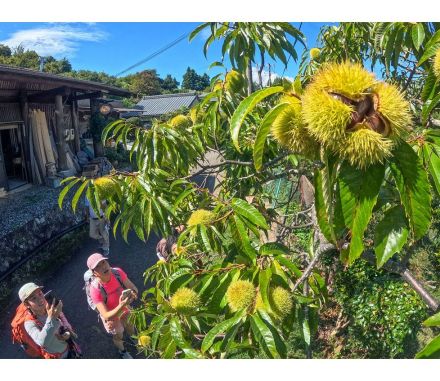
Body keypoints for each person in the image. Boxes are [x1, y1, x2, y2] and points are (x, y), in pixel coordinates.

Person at [86, 253, 138, 359]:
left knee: (130, 326)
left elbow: (133, 288)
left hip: (125, 307)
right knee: (119, 334)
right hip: (112, 314)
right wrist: (121, 305)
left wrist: (133, 294)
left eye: (103, 262)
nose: (103, 266)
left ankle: (134, 338)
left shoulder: (117, 272)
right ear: (94, 273)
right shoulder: (95, 289)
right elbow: (105, 315)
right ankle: (123, 351)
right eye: (98, 266)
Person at [12, 282, 80, 359]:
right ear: (27, 304)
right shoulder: (29, 323)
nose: (40, 299)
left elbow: (65, 322)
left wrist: (68, 333)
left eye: (40, 294)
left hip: (71, 348)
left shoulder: (50, 306)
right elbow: (42, 342)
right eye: (33, 298)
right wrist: (52, 318)